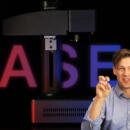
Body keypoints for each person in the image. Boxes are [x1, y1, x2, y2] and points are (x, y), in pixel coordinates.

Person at [81, 48, 130, 130]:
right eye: (121, 68)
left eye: (129, 68)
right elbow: (86, 128)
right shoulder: (105, 97)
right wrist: (99, 99)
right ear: (115, 70)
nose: (126, 73)